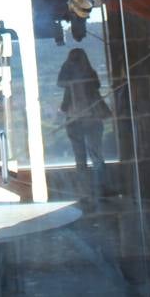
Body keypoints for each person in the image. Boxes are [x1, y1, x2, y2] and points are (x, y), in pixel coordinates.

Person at [57, 48, 108, 206]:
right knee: (92, 158)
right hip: (83, 120)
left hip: (85, 120)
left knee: (89, 159)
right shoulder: (86, 74)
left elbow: (62, 83)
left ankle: (92, 192)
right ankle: (93, 192)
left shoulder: (81, 76)